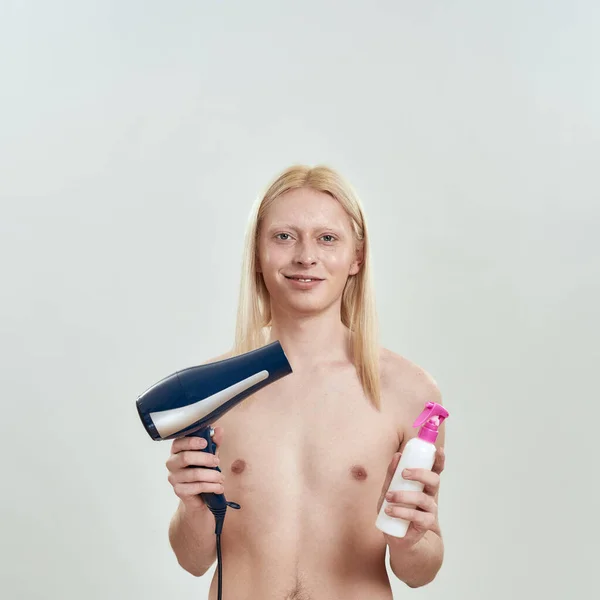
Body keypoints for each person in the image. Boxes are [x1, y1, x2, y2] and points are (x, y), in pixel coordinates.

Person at [165, 165, 447, 599]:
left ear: (357, 257)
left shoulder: (408, 392)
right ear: (258, 253)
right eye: (283, 236)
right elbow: (193, 559)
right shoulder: (213, 390)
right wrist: (193, 506)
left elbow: (418, 571)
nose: (305, 257)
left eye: (327, 238)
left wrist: (411, 539)